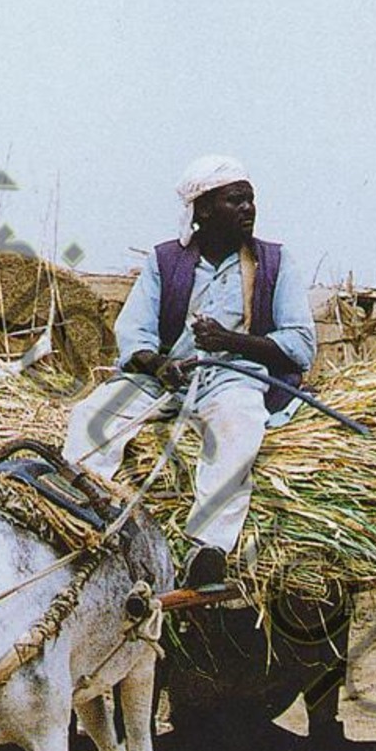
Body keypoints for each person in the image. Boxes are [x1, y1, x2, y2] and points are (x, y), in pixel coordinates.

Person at [63, 155, 316, 590]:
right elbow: (134, 336)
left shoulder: (274, 262)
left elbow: (300, 344)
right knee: (92, 414)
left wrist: (229, 343)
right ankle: (74, 516)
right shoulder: (166, 262)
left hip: (234, 376)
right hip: (166, 379)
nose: (248, 209)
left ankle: (208, 548)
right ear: (202, 210)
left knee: (239, 424)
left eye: (250, 200)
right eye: (235, 200)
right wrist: (160, 365)